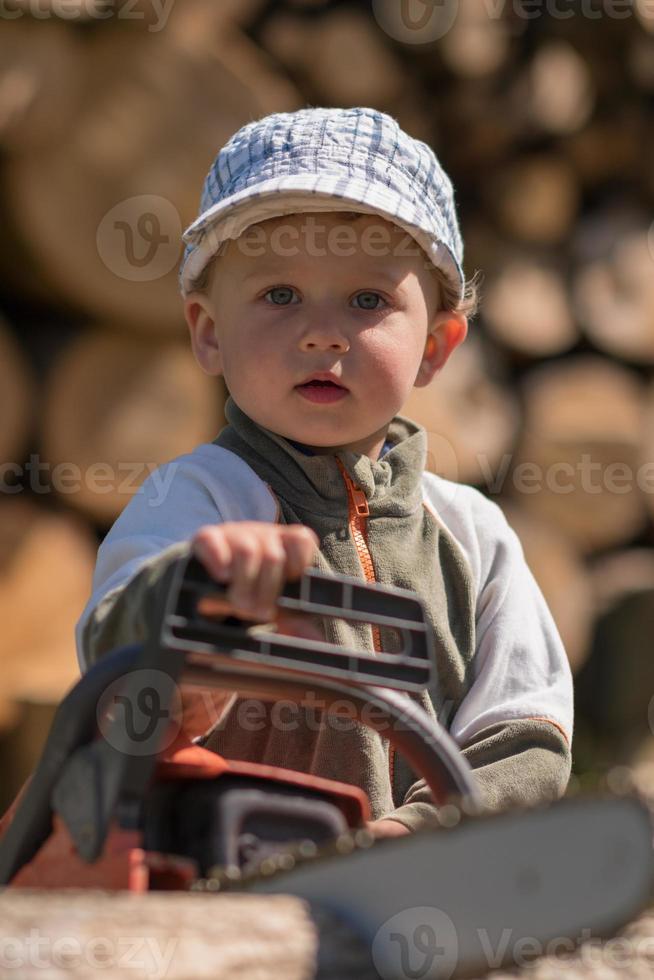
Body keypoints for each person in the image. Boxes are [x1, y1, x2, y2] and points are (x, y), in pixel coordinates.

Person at [75, 107, 573, 839]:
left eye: (368, 300)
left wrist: (428, 830)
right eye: (279, 294)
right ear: (209, 332)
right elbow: (113, 652)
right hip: (217, 876)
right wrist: (194, 592)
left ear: (436, 346)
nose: (322, 331)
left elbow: (525, 732)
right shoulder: (201, 499)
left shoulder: (475, 535)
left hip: (428, 880)